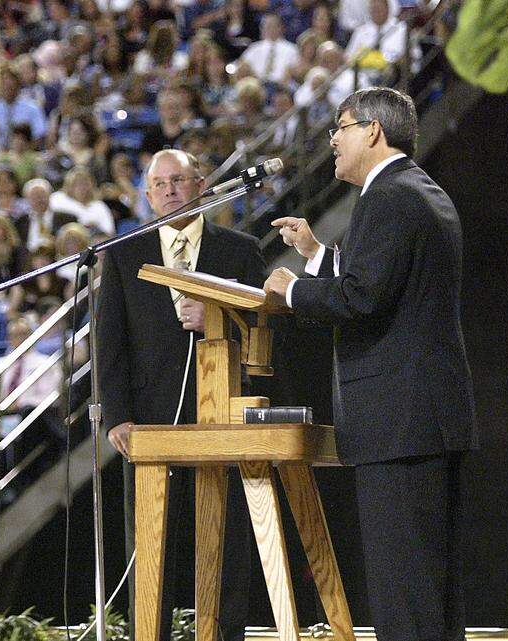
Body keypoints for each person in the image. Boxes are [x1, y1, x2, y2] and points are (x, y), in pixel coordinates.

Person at [262, 87, 478, 641]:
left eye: (341, 127)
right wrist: (317, 256)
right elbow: (384, 275)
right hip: (423, 421)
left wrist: (290, 292)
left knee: (406, 599)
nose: (332, 139)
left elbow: (362, 297)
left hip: (398, 426)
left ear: (373, 131)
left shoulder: (388, 198)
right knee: (430, 596)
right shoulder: (417, 190)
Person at [97, 148, 265, 641]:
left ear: (200, 186)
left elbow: (266, 331)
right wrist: (117, 417)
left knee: (225, 538)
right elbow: (111, 344)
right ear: (148, 196)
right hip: (151, 422)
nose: (169, 190)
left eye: (179, 180)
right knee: (153, 542)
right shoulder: (125, 254)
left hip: (221, 414)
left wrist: (219, 320)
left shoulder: (240, 250)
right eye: (160, 184)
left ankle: (225, 632)